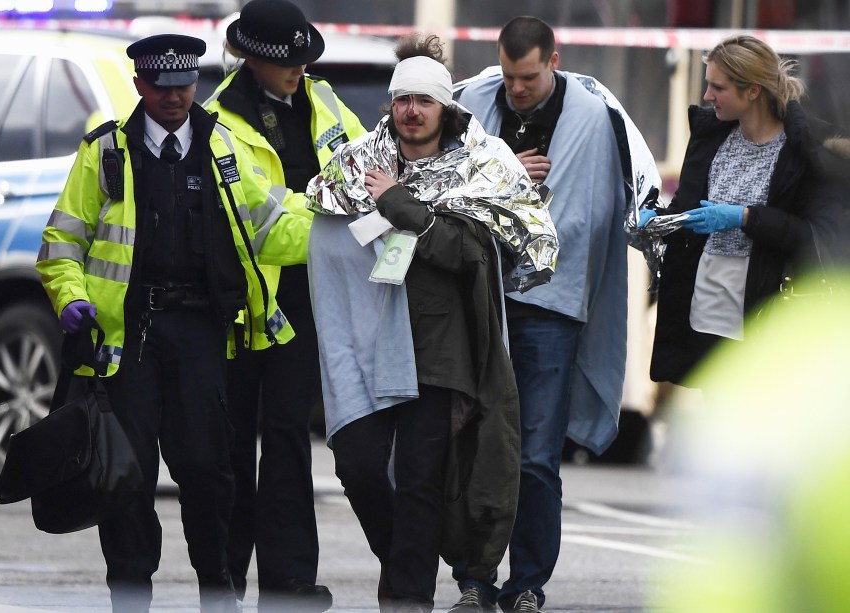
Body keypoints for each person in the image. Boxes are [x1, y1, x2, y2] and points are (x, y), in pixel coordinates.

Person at [36, 33, 308, 613]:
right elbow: (62, 242)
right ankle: (130, 595)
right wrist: (69, 299)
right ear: (140, 86)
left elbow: (274, 227)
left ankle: (218, 592)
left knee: (209, 469)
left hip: (202, 333)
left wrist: (344, 222)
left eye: (184, 86)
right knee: (125, 475)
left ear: (196, 84)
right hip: (127, 338)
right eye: (161, 87)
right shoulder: (105, 152)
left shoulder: (224, 149)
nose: (174, 98)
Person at [305, 33, 557, 613]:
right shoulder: (361, 161)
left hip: (440, 347)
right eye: (401, 100)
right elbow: (323, 226)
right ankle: (401, 564)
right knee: (360, 465)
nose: (411, 111)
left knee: (421, 479)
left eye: (423, 100)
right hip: (369, 344)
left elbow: (467, 254)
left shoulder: (482, 163)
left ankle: (409, 596)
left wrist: (399, 204)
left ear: (444, 105)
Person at [453, 16, 630, 612]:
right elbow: (435, 183)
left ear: (554, 60)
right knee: (473, 444)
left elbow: (597, 212)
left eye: (528, 76)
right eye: (508, 75)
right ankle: (474, 579)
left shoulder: (592, 118)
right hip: (478, 297)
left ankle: (527, 582)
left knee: (535, 455)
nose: (517, 89)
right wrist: (500, 173)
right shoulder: (473, 104)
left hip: (551, 306)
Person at [202, 0, 367, 609]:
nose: (298, 70)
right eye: (285, 62)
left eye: (303, 59)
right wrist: (330, 212)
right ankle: (225, 576)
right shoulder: (217, 121)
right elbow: (262, 228)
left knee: (289, 433)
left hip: (305, 300)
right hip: (244, 304)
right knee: (234, 440)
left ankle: (290, 577)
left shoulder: (322, 101)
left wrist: (348, 204)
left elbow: (367, 168)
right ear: (249, 58)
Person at [640, 34, 848, 385]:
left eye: (717, 87)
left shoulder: (807, 152)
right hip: (704, 311)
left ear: (753, 91)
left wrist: (746, 217)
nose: (707, 96)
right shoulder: (710, 138)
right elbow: (689, 211)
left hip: (767, 316)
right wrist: (660, 220)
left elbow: (820, 239)